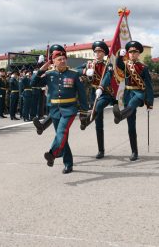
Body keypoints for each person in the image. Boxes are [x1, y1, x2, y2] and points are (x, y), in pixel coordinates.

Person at [31, 44, 88, 174]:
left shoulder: (73, 74)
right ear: (54, 62)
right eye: (59, 59)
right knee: (62, 137)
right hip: (55, 110)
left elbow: (82, 94)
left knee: (61, 132)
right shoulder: (49, 74)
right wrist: (42, 68)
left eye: (64, 59)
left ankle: (52, 154)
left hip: (69, 109)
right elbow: (33, 83)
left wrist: (84, 112)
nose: (62, 61)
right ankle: (68, 163)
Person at [113, 41, 154, 161]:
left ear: (138, 54)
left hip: (139, 93)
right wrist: (120, 55)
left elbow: (149, 86)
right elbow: (118, 64)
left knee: (132, 104)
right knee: (131, 126)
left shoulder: (143, 68)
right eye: (130, 52)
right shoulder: (126, 65)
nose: (132, 54)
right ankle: (134, 152)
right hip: (127, 93)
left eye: (134, 52)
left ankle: (120, 115)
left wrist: (149, 103)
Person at [78, 41, 115, 159]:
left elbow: (108, 77)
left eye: (100, 51)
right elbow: (74, 70)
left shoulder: (108, 65)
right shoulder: (89, 64)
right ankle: (101, 150)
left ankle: (86, 120)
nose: (97, 53)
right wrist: (84, 71)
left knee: (98, 107)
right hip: (94, 94)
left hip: (106, 93)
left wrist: (101, 87)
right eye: (96, 51)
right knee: (98, 124)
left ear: (104, 53)